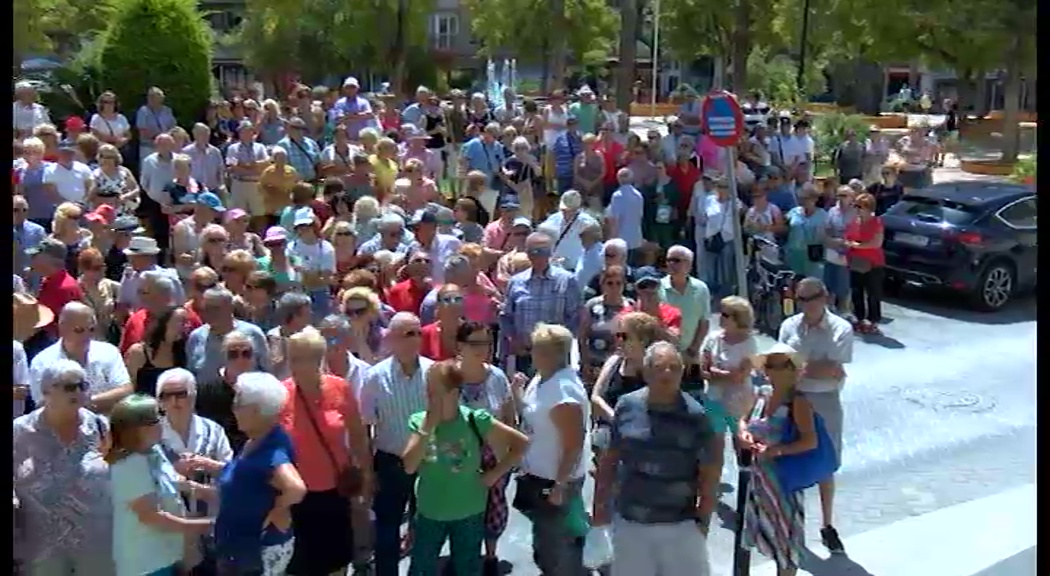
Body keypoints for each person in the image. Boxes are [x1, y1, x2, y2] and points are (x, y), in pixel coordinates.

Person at [592, 342, 721, 576]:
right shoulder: (626, 405)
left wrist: (703, 521)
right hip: (631, 522)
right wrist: (599, 509)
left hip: (679, 525)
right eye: (660, 367)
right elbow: (609, 460)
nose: (667, 373)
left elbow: (710, 473)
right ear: (646, 370)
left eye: (674, 367)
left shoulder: (696, 416)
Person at [401, 360, 529, 576]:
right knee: (421, 569)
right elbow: (409, 465)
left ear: (453, 392)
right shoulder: (419, 421)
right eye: (428, 389)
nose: (429, 395)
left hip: (469, 512)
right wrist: (427, 427)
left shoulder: (474, 419)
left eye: (435, 390)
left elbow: (521, 443)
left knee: (467, 569)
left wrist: (495, 474)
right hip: (429, 513)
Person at [279, 328, 374, 576]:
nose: (296, 365)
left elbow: (358, 438)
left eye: (303, 358)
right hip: (298, 495)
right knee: (302, 564)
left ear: (318, 358)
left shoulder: (339, 388)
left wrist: (365, 478)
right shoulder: (280, 394)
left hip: (336, 491)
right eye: (293, 358)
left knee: (337, 561)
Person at [13, 359, 115, 574]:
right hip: (42, 551)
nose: (77, 392)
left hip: (95, 548)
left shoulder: (101, 427)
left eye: (82, 386)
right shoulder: (20, 433)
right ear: (46, 391)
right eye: (69, 386)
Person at [777, 277, 853, 554]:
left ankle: (827, 524)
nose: (805, 305)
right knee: (793, 459)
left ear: (824, 297)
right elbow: (782, 364)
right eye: (801, 299)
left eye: (811, 298)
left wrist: (800, 367)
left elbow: (833, 367)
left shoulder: (840, 328)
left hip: (824, 400)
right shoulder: (789, 326)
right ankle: (792, 524)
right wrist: (813, 368)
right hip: (794, 398)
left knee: (826, 463)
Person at [359, 313, 433, 576]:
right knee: (387, 528)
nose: (414, 340)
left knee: (426, 528)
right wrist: (368, 472)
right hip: (390, 462)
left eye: (417, 333)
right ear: (390, 339)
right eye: (406, 334)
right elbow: (366, 427)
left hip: (428, 461)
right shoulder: (375, 378)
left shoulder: (434, 372)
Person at [107, 394, 214, 576]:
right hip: (145, 564)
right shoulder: (129, 465)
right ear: (139, 428)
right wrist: (204, 526)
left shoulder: (154, 450)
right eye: (158, 417)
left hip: (167, 554)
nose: (163, 421)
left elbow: (172, 481)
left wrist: (211, 492)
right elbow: (151, 517)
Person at [516, 323, 589, 574]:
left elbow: (574, 444)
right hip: (537, 478)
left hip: (554, 484)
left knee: (558, 552)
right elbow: (532, 416)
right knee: (545, 546)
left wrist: (560, 485)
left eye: (537, 349)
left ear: (552, 354)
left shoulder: (564, 393)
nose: (531, 352)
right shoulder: (542, 378)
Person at [737, 343, 813, 575]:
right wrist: (743, 434)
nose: (771, 371)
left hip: (784, 483)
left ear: (791, 370)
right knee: (762, 535)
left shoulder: (797, 402)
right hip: (759, 480)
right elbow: (743, 419)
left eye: (778, 366)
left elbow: (810, 441)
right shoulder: (761, 395)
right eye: (769, 366)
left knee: (785, 547)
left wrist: (776, 451)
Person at [500, 233, 582, 376]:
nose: (538, 256)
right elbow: (506, 316)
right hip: (525, 354)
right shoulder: (516, 282)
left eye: (543, 251)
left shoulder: (567, 280)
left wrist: (562, 344)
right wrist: (514, 341)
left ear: (550, 253)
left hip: (555, 356)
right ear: (527, 253)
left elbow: (575, 317)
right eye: (533, 251)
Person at [30, 302, 132, 413]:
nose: (87, 336)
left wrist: (80, 403)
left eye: (91, 329)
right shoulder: (42, 362)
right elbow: (42, 405)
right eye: (79, 330)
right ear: (62, 328)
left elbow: (125, 391)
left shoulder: (108, 351)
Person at [186, 287, 270, 383]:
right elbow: (191, 375)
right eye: (206, 308)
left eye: (215, 308)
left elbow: (267, 372)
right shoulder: (196, 337)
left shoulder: (253, 334)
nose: (209, 313)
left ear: (230, 307)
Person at [700, 296, 759, 432]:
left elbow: (740, 376)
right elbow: (704, 370)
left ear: (738, 318)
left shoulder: (749, 343)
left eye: (725, 315)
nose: (720, 316)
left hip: (739, 400)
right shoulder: (712, 338)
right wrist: (726, 374)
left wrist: (716, 372)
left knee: (740, 440)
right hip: (713, 397)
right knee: (715, 440)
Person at [578, 265, 633, 385]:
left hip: (620, 365)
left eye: (618, 283)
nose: (614, 287)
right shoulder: (592, 305)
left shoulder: (630, 306)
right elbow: (583, 337)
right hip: (595, 365)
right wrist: (585, 362)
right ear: (602, 285)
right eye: (610, 283)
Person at [124, 306, 190, 397]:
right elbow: (128, 388)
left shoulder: (183, 352)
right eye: (181, 321)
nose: (187, 326)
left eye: (187, 322)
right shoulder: (139, 352)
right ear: (164, 322)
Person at [845, 193, 886, 334]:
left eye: (860, 206)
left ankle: (873, 321)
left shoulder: (876, 222)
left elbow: (876, 243)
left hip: (873, 263)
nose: (857, 209)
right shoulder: (854, 222)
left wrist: (856, 246)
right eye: (855, 206)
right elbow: (848, 238)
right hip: (856, 262)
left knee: (873, 293)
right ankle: (859, 319)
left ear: (869, 208)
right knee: (857, 292)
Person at [784, 184, 830, 280]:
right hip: (794, 254)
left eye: (806, 198)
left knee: (813, 283)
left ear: (815, 199)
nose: (803, 201)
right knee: (793, 283)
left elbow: (828, 236)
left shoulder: (823, 216)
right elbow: (784, 227)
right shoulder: (793, 212)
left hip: (814, 255)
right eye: (801, 198)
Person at [419, 284, 466, 361]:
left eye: (458, 299)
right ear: (438, 306)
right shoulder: (425, 334)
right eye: (447, 299)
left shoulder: (472, 333)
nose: (453, 303)